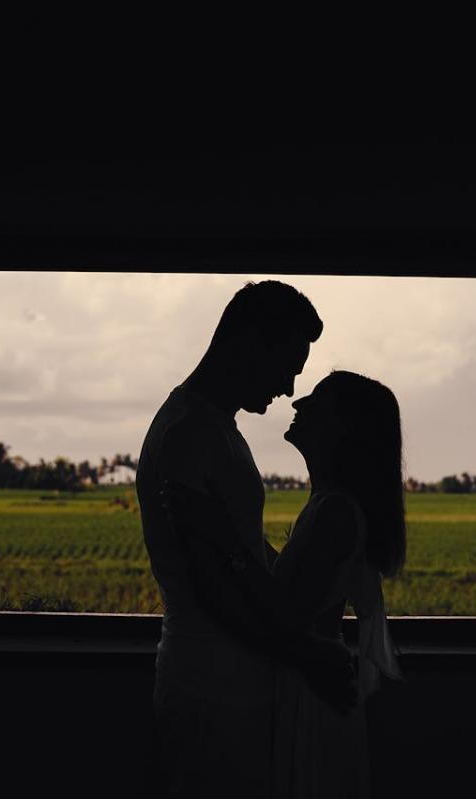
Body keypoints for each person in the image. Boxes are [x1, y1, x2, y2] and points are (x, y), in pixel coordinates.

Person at [136, 280, 355, 799]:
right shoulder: (189, 433)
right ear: (250, 342)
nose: (286, 388)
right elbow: (212, 587)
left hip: (232, 681)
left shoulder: (215, 429)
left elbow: (240, 551)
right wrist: (306, 653)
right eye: (288, 366)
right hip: (210, 686)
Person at [164, 370, 406, 799]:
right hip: (306, 685)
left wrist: (225, 540)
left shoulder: (334, 512)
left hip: (308, 694)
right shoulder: (326, 504)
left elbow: (287, 612)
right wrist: (237, 534)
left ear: (343, 427)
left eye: (316, 399)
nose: (297, 403)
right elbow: (295, 582)